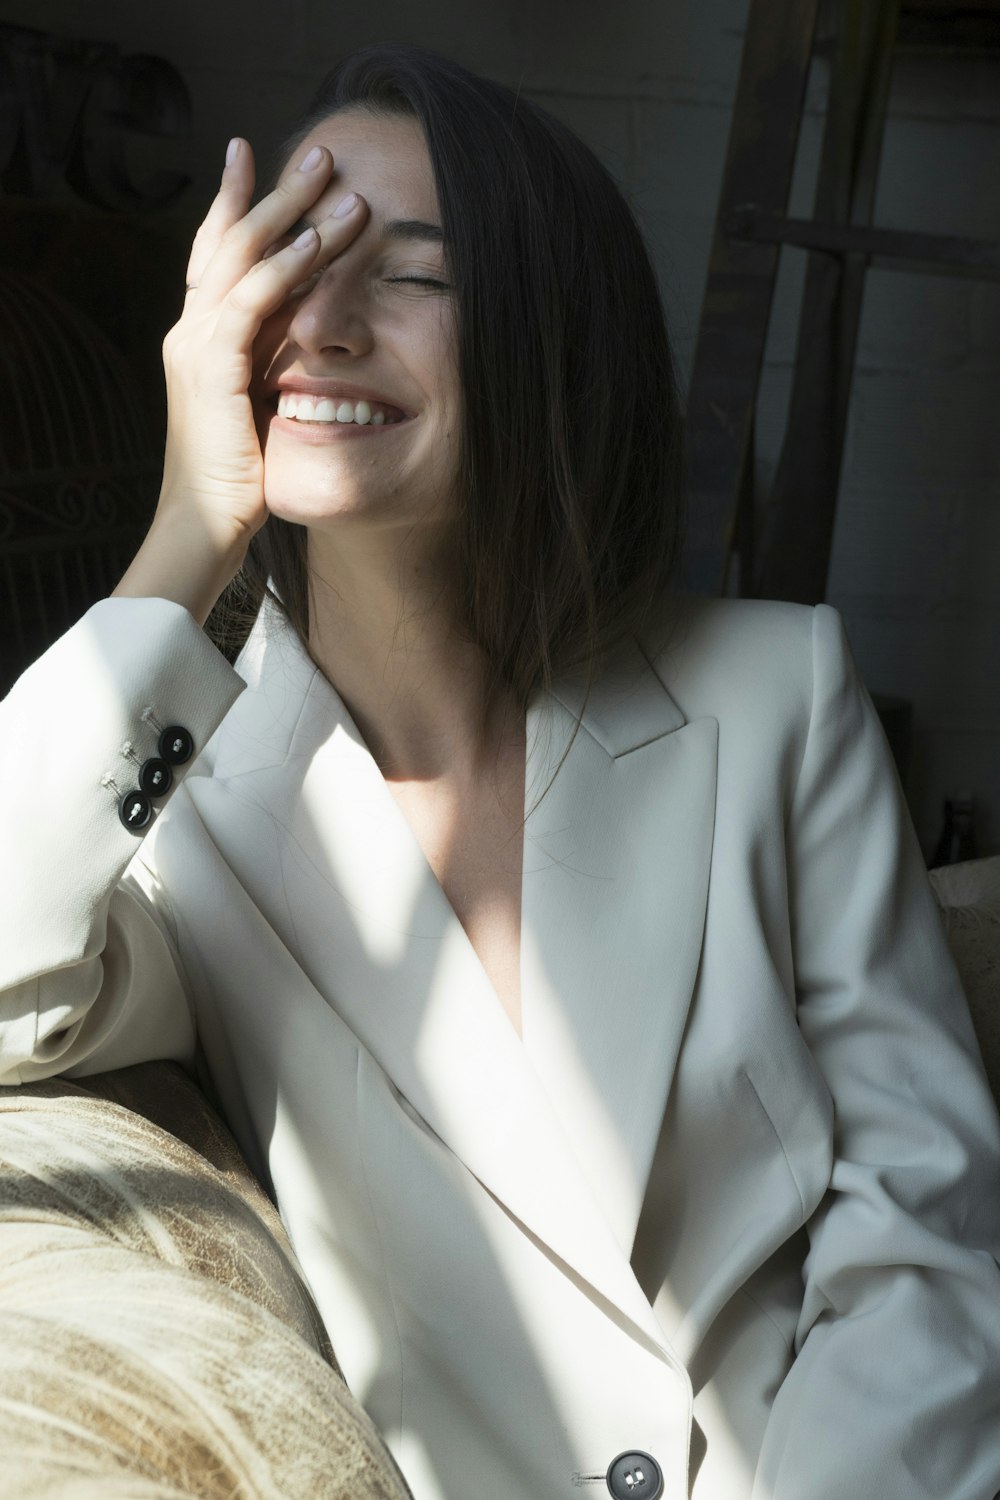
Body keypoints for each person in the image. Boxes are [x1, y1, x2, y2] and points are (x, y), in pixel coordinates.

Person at [1, 42, 998, 1500]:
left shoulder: (781, 694)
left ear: (545, 331)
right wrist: (183, 535)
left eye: (408, 271)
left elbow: (925, 1224)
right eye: (288, 260)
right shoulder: (177, 798)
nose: (322, 321)